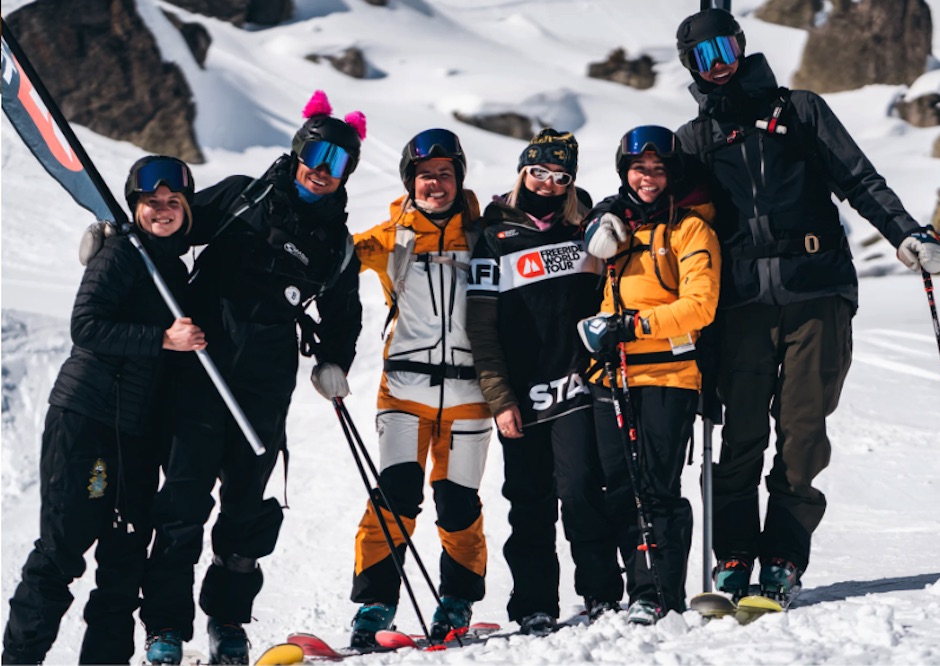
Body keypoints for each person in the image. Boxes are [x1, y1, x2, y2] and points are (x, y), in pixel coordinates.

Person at [672, 8, 940, 602]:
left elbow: (858, 178)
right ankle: (734, 557)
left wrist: (904, 233)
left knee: (802, 433)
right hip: (740, 308)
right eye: (703, 56)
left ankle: (782, 559)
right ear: (690, 66)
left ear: (741, 45)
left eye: (725, 48)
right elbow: (659, 210)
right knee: (740, 437)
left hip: (816, 293)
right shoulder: (694, 140)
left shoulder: (799, 110)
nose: (718, 63)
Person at [140, 91, 364, 665]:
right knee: (183, 505)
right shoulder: (245, 195)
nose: (323, 170)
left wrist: (335, 360)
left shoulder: (336, 245)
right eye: (316, 153)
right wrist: (121, 245)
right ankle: (165, 628)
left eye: (338, 163)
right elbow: (174, 225)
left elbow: (345, 314)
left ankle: (228, 623)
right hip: (200, 370)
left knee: (245, 512)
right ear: (297, 151)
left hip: (265, 384)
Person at [2, 157, 204, 665]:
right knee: (62, 550)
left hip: (134, 435)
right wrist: (163, 339)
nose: (162, 210)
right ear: (135, 207)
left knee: (125, 560)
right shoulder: (120, 254)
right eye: (152, 202)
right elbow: (86, 326)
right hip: (89, 422)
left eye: (173, 202)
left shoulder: (174, 271)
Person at [466, 129, 623, 635]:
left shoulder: (586, 230)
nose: (549, 185)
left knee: (582, 493)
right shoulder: (493, 236)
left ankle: (601, 594)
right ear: (522, 172)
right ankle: (534, 604)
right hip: (521, 394)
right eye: (539, 173)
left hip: (578, 387)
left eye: (561, 177)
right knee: (529, 502)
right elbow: (482, 328)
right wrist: (499, 398)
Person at [347, 128, 492, 647]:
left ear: (459, 178)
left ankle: (456, 602)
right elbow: (331, 255)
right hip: (403, 393)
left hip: (471, 398)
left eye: (445, 174)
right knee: (394, 500)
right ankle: (376, 605)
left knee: (459, 505)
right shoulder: (389, 237)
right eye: (426, 175)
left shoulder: (485, 234)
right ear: (411, 181)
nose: (436, 184)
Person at [578, 125, 721, 624]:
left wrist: (633, 326)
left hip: (669, 376)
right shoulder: (613, 230)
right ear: (625, 172)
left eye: (659, 169)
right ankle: (637, 587)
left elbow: (700, 306)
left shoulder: (691, 230)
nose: (649, 178)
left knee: (656, 487)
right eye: (640, 169)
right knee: (619, 487)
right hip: (612, 378)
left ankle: (658, 592)